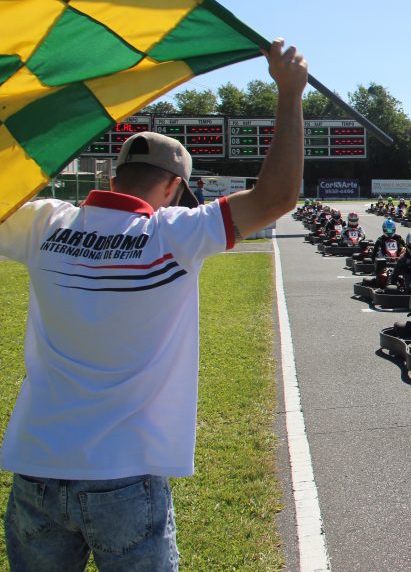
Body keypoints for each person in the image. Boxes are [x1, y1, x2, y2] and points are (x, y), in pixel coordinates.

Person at [0, 38, 307, 569]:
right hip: (125, 474)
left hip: (35, 466)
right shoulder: (174, 234)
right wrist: (289, 93)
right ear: (171, 186)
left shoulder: (45, 223)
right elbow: (277, 198)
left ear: (115, 176)